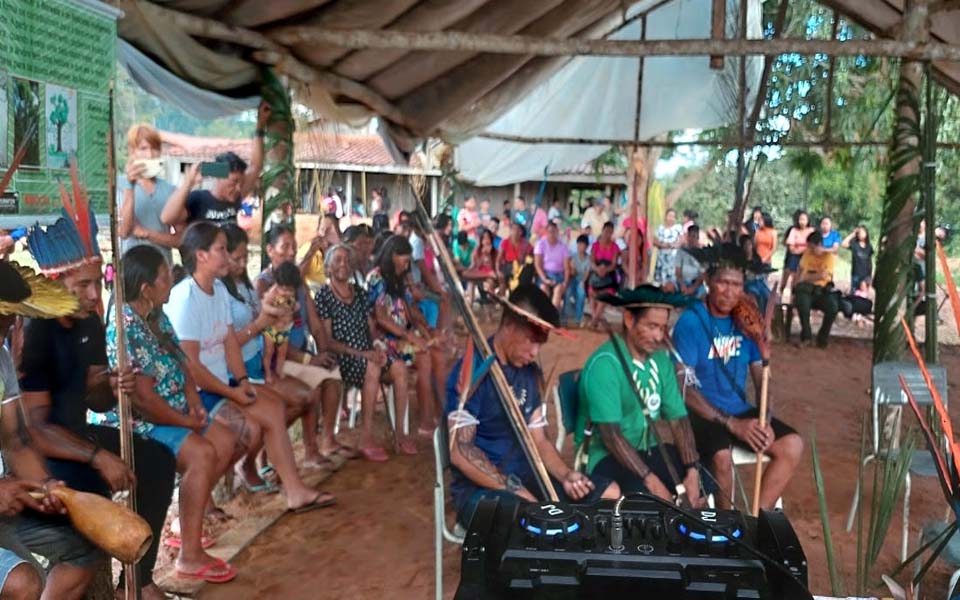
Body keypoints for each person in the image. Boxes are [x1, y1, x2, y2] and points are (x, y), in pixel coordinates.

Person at [21, 199, 177, 599]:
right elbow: (35, 428)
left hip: (75, 434)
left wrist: (109, 383)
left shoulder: (89, 318)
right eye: (83, 286)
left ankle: (138, 581)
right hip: (40, 450)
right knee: (92, 508)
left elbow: (97, 404)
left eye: (99, 280)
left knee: (157, 462)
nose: (96, 294)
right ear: (56, 285)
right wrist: (98, 457)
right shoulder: (37, 330)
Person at [166, 222, 335, 512]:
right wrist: (232, 393)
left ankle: (294, 491)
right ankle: (196, 501)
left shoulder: (217, 289)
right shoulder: (185, 298)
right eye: (221, 249)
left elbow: (230, 341)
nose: (228, 256)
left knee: (273, 408)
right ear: (201, 255)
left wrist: (242, 381)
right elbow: (191, 368)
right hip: (195, 392)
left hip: (221, 383)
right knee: (249, 430)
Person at [106, 246, 241, 583]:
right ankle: (189, 555)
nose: (172, 281)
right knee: (202, 452)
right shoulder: (125, 326)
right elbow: (144, 400)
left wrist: (194, 400)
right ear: (145, 288)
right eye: (165, 277)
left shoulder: (156, 313)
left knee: (228, 439)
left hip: (174, 410)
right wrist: (186, 422)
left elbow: (181, 362)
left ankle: (186, 521)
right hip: (139, 421)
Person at [446, 285, 620, 526]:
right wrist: (517, 492)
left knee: (609, 493)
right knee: (532, 519)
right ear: (507, 325)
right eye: (530, 340)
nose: (535, 352)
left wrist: (565, 475)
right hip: (481, 492)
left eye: (541, 343)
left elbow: (539, 441)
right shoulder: (473, 372)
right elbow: (460, 451)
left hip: (531, 477)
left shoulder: (530, 374)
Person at [0, 263, 112, 600]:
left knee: (81, 549)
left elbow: (15, 440)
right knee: (23, 582)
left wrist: (48, 486)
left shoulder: (1, 358)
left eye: (8, 322)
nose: (7, 330)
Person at [672, 242, 802, 510]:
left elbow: (761, 375)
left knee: (792, 445)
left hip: (738, 410)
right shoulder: (690, 323)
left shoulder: (747, 320)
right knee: (721, 458)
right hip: (701, 414)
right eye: (723, 283)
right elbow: (682, 388)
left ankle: (755, 522)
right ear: (708, 281)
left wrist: (765, 416)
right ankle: (727, 523)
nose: (730, 292)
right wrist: (731, 424)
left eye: (737, 285)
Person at [220, 225, 331, 479]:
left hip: (260, 365)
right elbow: (232, 339)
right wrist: (261, 325)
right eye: (237, 257)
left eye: (245, 256)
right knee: (290, 403)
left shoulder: (246, 286)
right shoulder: (249, 286)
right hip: (244, 371)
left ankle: (274, 462)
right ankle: (254, 463)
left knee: (306, 396)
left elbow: (306, 318)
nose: (242, 262)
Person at [576, 286, 704, 505]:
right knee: (644, 501)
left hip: (648, 450)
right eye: (652, 326)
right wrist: (653, 484)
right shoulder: (605, 365)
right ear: (628, 319)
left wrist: (692, 470)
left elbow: (678, 419)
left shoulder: (661, 360)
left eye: (663, 328)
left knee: (701, 482)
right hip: (605, 456)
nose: (659, 336)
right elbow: (612, 438)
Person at [255, 226, 350, 464]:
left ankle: (325, 440)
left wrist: (324, 352)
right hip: (280, 358)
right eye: (284, 246)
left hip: (299, 355)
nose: (290, 252)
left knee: (333, 373)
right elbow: (276, 336)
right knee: (315, 384)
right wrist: (310, 360)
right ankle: (293, 449)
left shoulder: (299, 285)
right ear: (269, 250)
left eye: (294, 247)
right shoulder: (264, 285)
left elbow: (316, 324)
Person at [316, 244, 406, 462]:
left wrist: (377, 345)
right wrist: (363, 354)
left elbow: (372, 329)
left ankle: (400, 436)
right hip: (342, 356)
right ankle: (366, 438)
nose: (343, 264)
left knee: (399, 367)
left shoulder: (361, 294)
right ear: (328, 267)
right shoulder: (324, 295)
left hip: (367, 353)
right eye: (337, 260)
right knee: (373, 367)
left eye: (347, 260)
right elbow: (327, 341)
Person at [367, 235, 436, 448]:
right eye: (403, 261)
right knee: (417, 362)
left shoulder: (399, 278)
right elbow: (380, 317)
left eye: (408, 262)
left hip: (400, 338)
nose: (406, 265)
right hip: (382, 341)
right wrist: (410, 336)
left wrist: (426, 330)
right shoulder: (376, 278)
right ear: (391, 257)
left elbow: (410, 309)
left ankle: (425, 421)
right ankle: (404, 432)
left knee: (428, 357)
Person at [161, 104, 268, 227]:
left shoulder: (236, 196)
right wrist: (188, 183)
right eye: (233, 182)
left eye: (240, 183)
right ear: (219, 176)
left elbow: (255, 166)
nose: (238, 188)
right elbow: (167, 218)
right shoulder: (198, 199)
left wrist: (260, 126)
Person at [118, 124, 187, 264]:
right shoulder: (119, 185)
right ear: (132, 152)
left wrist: (146, 234)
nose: (149, 155)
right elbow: (124, 231)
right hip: (132, 267)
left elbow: (182, 239)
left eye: (154, 149)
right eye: (143, 149)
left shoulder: (170, 190)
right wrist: (129, 186)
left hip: (162, 268)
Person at [793, 231, 839, 348]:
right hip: (806, 289)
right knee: (802, 304)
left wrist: (807, 277)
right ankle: (806, 336)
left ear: (818, 244)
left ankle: (822, 338)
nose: (809, 248)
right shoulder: (807, 253)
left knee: (833, 308)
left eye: (811, 246)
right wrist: (804, 279)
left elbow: (823, 276)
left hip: (822, 290)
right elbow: (801, 273)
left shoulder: (828, 256)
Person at [260, 262, 300, 384]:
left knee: (282, 353)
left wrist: (295, 308)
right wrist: (275, 311)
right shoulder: (273, 292)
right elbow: (264, 305)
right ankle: (267, 372)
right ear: (277, 283)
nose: (287, 292)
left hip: (285, 329)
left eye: (290, 290)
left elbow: (295, 305)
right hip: (272, 330)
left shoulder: (292, 293)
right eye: (284, 289)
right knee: (269, 352)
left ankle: (279, 369)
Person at [588, 222, 620, 329]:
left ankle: (594, 320)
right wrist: (598, 269)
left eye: (610, 232)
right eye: (606, 231)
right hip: (596, 274)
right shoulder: (595, 245)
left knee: (604, 296)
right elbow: (591, 261)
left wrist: (605, 270)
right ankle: (595, 318)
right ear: (602, 231)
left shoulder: (615, 247)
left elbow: (614, 264)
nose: (608, 234)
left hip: (609, 276)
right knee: (592, 293)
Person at [533, 221, 569, 309]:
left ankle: (552, 317)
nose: (552, 234)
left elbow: (567, 268)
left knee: (558, 291)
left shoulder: (563, 247)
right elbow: (537, 265)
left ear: (557, 232)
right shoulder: (540, 244)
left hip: (558, 275)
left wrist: (565, 283)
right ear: (546, 232)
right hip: (544, 274)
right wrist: (544, 278)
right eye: (550, 232)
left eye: (554, 232)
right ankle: (544, 317)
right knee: (544, 289)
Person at [781, 210, 814, 294]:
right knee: (794, 278)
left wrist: (799, 248)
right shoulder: (793, 230)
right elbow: (791, 248)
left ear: (808, 220)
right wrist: (804, 249)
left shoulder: (811, 231)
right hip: (794, 257)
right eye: (800, 219)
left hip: (808, 258)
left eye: (804, 219)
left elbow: (813, 246)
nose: (802, 222)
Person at [496, 223, 533, 293]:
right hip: (508, 266)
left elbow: (530, 259)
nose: (513, 231)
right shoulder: (505, 242)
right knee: (503, 278)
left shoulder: (526, 244)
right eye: (512, 229)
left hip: (521, 267)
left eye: (515, 229)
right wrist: (498, 271)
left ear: (520, 232)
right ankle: (501, 298)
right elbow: (498, 259)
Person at [563, 234, 591, 327]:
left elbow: (587, 273)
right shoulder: (572, 257)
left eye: (582, 244)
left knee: (581, 294)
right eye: (579, 244)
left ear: (586, 246)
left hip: (581, 280)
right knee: (568, 293)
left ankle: (578, 319)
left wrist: (583, 282)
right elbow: (571, 273)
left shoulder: (588, 258)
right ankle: (565, 318)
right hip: (572, 279)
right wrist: (573, 270)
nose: (580, 246)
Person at [653, 208, 684, 289]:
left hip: (672, 259)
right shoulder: (660, 228)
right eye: (669, 216)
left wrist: (674, 245)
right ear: (665, 216)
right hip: (661, 258)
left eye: (673, 216)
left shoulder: (678, 228)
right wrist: (663, 245)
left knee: (671, 280)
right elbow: (654, 240)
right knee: (659, 280)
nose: (671, 218)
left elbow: (682, 239)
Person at [675, 225, 706, 298]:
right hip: (682, 282)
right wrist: (682, 285)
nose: (693, 239)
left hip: (696, 284)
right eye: (691, 236)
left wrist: (692, 289)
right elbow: (678, 272)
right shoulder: (681, 251)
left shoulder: (702, 253)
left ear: (698, 238)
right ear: (687, 237)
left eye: (695, 236)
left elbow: (702, 275)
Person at [842, 225, 874, 291]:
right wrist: (853, 234)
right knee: (854, 294)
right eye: (859, 232)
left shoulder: (869, 246)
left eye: (862, 232)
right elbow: (843, 244)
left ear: (866, 233)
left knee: (863, 296)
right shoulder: (855, 244)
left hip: (865, 276)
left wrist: (870, 276)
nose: (860, 234)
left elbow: (869, 262)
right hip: (855, 274)